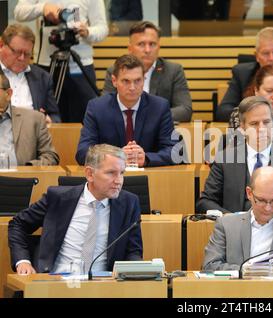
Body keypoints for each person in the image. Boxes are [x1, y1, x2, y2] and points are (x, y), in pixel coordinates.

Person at [8, 144, 143, 274]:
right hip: (56, 282)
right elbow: (18, 224)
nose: (119, 180)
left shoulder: (129, 203)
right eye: (111, 173)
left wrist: (135, 271)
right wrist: (23, 261)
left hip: (104, 285)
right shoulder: (59, 198)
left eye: (122, 173)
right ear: (89, 174)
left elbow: (133, 251)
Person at [197, 95, 273, 214]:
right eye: (254, 124)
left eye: (266, 122)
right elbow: (205, 202)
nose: (261, 128)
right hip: (236, 232)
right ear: (242, 128)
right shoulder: (224, 159)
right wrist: (230, 219)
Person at [14, 0, 109, 123]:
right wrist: (43, 7)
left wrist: (87, 32)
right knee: (46, 119)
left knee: (86, 120)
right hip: (46, 64)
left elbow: (102, 28)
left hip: (80, 66)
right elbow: (19, 12)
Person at [76, 54, 178, 167]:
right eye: (126, 81)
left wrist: (146, 159)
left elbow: (174, 151)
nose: (132, 87)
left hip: (148, 177)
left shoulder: (159, 107)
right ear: (114, 81)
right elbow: (83, 152)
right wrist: (115, 156)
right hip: (108, 178)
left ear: (144, 79)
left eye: (137, 81)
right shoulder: (97, 108)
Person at [202, 166, 273, 270]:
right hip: (237, 289)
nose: (268, 208)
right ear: (249, 193)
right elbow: (210, 265)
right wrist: (247, 271)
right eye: (261, 200)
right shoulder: (226, 225)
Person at [103, 21, 192, 122]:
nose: (147, 50)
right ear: (130, 48)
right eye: (141, 44)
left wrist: (149, 117)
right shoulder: (115, 71)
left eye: (152, 44)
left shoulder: (173, 71)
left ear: (158, 47)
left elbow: (185, 110)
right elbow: (105, 108)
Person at [0, 24, 60, 123]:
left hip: (33, 136)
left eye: (27, 54)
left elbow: (55, 116)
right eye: (17, 52)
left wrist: (48, 120)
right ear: (1, 45)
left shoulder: (43, 78)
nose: (21, 58)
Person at [0, 69, 59, 166]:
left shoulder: (34, 119)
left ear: (8, 94)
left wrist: (28, 170)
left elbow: (50, 156)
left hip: (19, 179)